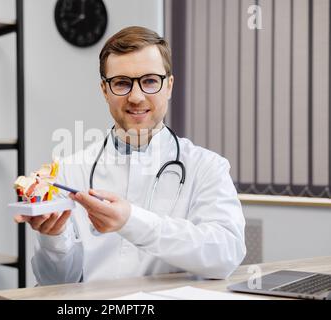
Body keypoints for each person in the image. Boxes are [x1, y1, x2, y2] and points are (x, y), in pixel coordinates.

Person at [16, 26, 246, 285]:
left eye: (149, 81)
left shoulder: (207, 167)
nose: (136, 97)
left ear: (169, 86)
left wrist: (131, 221)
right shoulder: (70, 171)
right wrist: (54, 239)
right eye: (122, 83)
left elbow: (225, 255)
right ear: (105, 90)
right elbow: (55, 283)